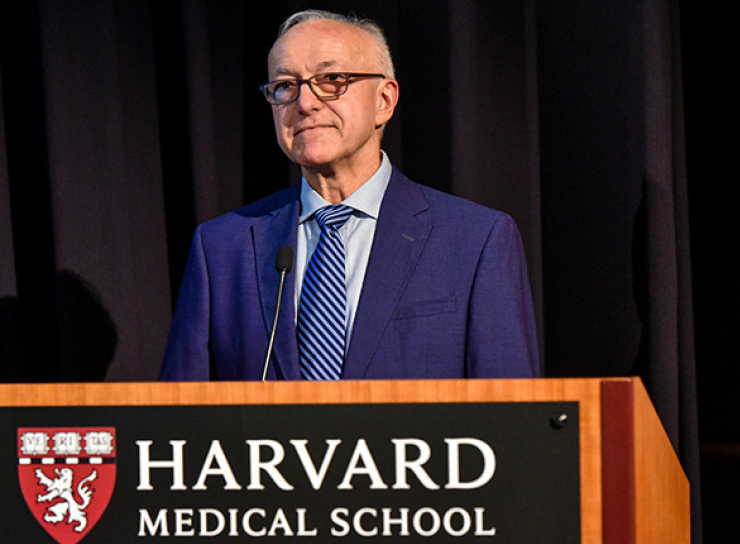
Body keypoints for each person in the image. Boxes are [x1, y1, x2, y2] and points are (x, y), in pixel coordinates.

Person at [159, 9, 539, 381]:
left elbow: (513, 418)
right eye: (285, 86)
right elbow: (179, 421)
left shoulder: (476, 239)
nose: (305, 103)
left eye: (332, 79)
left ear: (384, 101)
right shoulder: (222, 247)